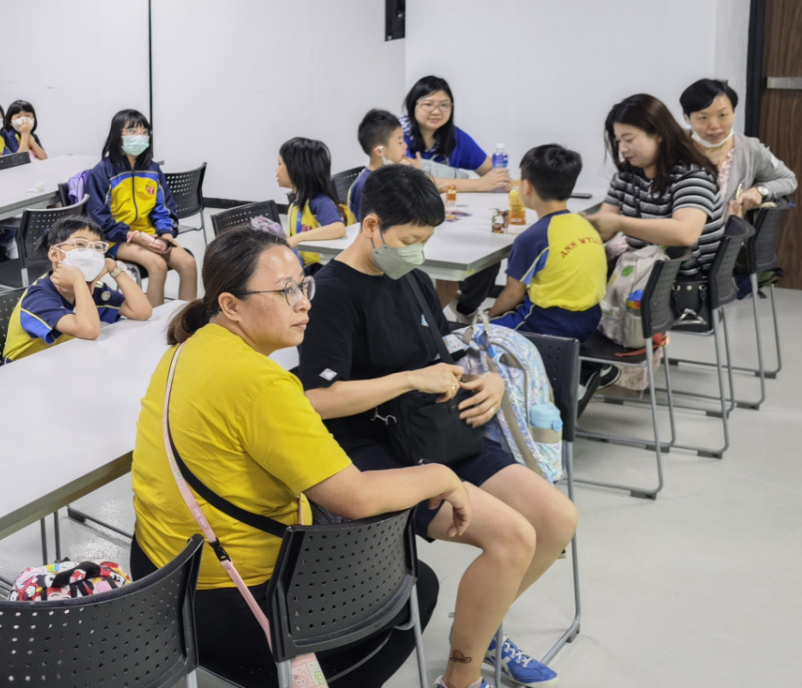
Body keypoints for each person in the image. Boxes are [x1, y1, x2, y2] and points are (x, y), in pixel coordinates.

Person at [129, 227, 452, 687]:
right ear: (230, 305)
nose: (304, 303)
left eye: (304, 286)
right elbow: (355, 498)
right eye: (286, 292)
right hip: (225, 598)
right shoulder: (262, 383)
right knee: (420, 584)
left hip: (158, 573)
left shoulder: (186, 349)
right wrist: (442, 476)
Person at [297, 163, 578, 688]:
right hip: (376, 449)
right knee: (513, 539)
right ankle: (460, 676)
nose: (417, 252)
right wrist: (408, 380)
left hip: (434, 429)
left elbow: (443, 355)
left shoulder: (412, 280)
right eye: (409, 240)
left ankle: (482, 626)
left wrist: (486, 381)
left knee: (557, 519)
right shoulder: (331, 293)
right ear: (372, 225)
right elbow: (317, 400)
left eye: (425, 241)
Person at [590, 93, 727, 287]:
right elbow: (604, 227)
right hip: (641, 272)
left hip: (684, 282)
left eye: (629, 139)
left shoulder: (692, 176)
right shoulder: (627, 175)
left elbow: (685, 233)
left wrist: (619, 223)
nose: (623, 149)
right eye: (619, 141)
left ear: (659, 134)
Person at [488, 145, 605, 338]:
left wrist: (489, 318)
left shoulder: (533, 238)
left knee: (478, 333)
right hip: (590, 320)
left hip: (548, 324)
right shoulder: (585, 224)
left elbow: (512, 294)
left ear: (527, 187)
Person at [85, 109, 197, 304]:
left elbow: (164, 208)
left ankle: (188, 318)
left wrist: (166, 236)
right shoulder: (102, 172)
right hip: (115, 238)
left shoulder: (152, 169)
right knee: (157, 265)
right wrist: (134, 236)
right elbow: (99, 219)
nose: (139, 136)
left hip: (151, 233)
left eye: (144, 132)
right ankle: (155, 319)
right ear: (117, 134)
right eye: (132, 131)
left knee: (188, 263)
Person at [3, 215, 151, 362]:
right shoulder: (38, 298)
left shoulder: (88, 286)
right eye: (80, 244)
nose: (90, 253)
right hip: (24, 370)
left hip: (64, 361)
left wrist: (113, 267)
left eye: (97, 247)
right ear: (54, 254)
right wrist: (78, 280)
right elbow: (90, 330)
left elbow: (142, 311)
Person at [679, 78, 796, 218]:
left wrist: (760, 191)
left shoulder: (749, 149)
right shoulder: (672, 146)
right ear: (686, 118)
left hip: (730, 231)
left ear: (733, 112)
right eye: (703, 118)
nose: (715, 126)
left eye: (723, 115)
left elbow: (788, 180)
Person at [403, 75, 511, 193]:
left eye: (444, 105)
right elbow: (409, 181)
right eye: (428, 104)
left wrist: (502, 179)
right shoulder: (398, 134)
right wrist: (479, 184)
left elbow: (491, 170)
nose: (436, 111)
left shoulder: (456, 136)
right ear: (412, 105)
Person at [275, 137, 352, 272]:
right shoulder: (295, 204)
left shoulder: (319, 201)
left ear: (296, 168)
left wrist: (298, 238)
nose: (276, 170)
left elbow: (338, 229)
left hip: (320, 271)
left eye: (280, 164)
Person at [348, 108, 412, 223]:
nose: (405, 146)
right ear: (380, 151)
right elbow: (368, 227)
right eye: (399, 142)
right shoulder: (365, 186)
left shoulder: (393, 175)